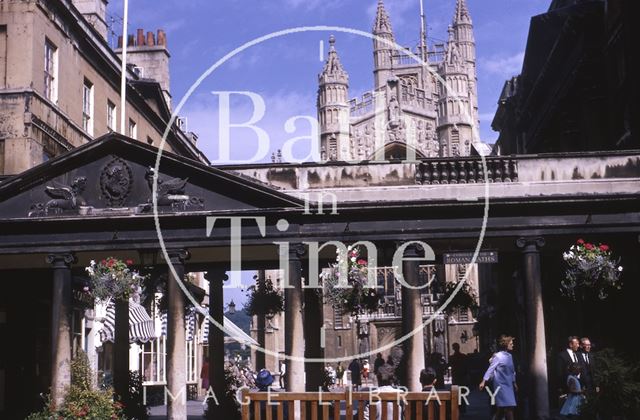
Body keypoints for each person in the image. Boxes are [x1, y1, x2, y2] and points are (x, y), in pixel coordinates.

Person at [479, 335, 518, 420]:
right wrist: (483, 381)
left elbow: (512, 371)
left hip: (508, 385)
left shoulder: (509, 356)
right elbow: (490, 369)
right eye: (511, 344)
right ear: (505, 345)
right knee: (509, 408)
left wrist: (514, 382)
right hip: (500, 385)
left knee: (502, 409)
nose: (513, 345)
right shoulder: (498, 356)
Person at [449, 342, 469, 412]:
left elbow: (448, 366)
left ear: (453, 348)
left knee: (456, 394)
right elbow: (467, 367)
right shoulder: (464, 357)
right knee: (462, 393)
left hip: (456, 378)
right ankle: (463, 409)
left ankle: (457, 408)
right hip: (463, 378)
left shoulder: (451, 358)